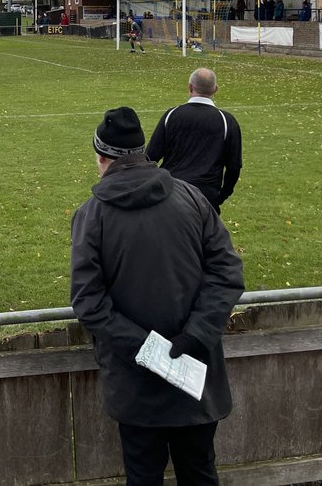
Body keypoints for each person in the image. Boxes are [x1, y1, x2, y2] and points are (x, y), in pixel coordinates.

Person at [71, 107, 244, 486]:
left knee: (147, 475)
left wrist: (151, 349)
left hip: (144, 381)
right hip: (188, 373)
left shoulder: (93, 215)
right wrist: (190, 339)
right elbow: (227, 273)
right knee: (198, 471)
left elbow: (88, 302)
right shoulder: (194, 199)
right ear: (142, 152)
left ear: (101, 158)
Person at [146, 68, 243, 213]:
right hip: (204, 195)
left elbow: (150, 157)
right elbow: (234, 166)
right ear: (215, 89)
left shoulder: (172, 115)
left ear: (190, 87)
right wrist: (222, 194)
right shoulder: (227, 121)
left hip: (173, 191)